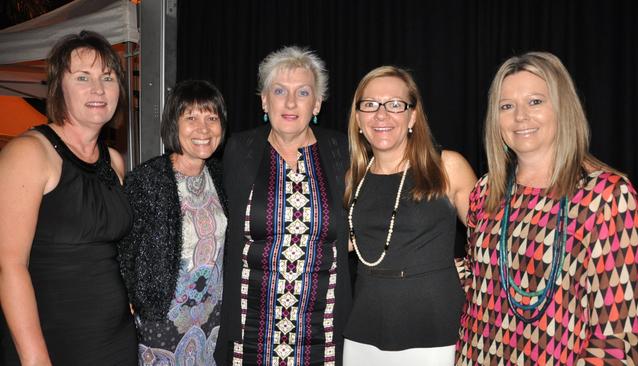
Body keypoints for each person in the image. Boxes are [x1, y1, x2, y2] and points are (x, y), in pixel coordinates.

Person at [455, 52, 638, 365]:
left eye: (535, 101)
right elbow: (479, 284)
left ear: (563, 109)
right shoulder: (487, 190)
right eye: (507, 106)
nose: (520, 116)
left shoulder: (607, 197)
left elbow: (616, 342)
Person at [0, 30, 137, 365]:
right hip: (55, 341)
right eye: (82, 77)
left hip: (115, 340)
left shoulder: (114, 161)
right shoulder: (29, 152)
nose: (98, 89)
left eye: (107, 77)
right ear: (58, 87)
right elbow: (9, 266)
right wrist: (35, 360)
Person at [215, 46, 352, 365]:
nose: (290, 103)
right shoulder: (239, 150)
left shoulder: (342, 151)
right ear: (265, 100)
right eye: (280, 91)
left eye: (303, 92)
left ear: (317, 103)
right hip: (250, 334)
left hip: (324, 334)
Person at [342, 66, 477, 365]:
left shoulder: (447, 166)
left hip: (435, 329)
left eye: (395, 104)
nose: (381, 114)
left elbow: (492, 242)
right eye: (370, 104)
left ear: (412, 116)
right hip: (363, 329)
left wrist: (467, 272)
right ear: (358, 118)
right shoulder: (352, 178)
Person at [117, 80, 228, 365]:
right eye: (191, 117)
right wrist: (133, 302)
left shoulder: (222, 176)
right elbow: (122, 249)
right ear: (173, 124)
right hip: (163, 319)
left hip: (214, 316)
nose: (203, 129)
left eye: (211, 118)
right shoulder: (146, 181)